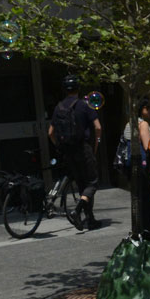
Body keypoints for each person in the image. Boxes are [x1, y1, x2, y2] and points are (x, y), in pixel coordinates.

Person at [47, 75, 103, 229]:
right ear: (78, 89)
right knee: (92, 182)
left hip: (68, 151)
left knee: (82, 184)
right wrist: (96, 145)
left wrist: (59, 146)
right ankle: (77, 210)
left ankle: (89, 218)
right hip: (83, 148)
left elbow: (50, 132)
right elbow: (98, 127)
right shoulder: (84, 105)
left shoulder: (58, 108)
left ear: (64, 90)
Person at [126, 98, 150, 234]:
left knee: (140, 197)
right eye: (147, 108)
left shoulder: (130, 124)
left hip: (131, 166)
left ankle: (140, 228)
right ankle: (146, 228)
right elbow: (147, 146)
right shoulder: (143, 124)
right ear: (141, 109)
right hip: (143, 167)